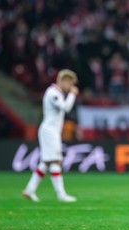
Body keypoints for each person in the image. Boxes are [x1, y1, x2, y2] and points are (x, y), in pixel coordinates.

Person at [22, 69, 79, 202]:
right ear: (64, 81)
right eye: (70, 84)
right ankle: (61, 194)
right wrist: (72, 95)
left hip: (51, 131)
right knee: (56, 160)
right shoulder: (53, 93)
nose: (71, 87)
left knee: (46, 162)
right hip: (49, 131)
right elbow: (66, 108)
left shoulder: (56, 93)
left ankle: (29, 190)